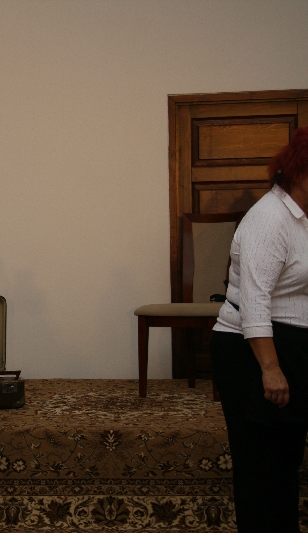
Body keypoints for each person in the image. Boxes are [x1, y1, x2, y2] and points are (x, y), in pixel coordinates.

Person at [210, 126, 308, 533]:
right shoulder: (269, 219)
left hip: (290, 347)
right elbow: (254, 301)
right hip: (252, 353)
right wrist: (271, 368)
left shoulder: (301, 218)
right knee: (261, 468)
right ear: (299, 172)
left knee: (285, 460)